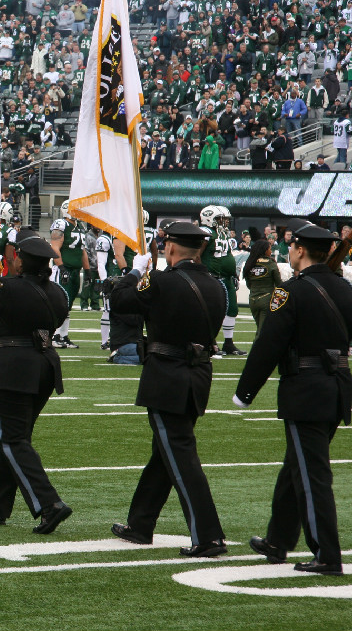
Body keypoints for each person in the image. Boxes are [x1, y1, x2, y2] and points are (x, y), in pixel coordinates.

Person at [234, 219, 352, 576]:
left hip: (306, 390)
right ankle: (278, 540)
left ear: (300, 250)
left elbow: (269, 343)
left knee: (311, 473)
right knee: (295, 467)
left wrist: (245, 392)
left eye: (292, 246)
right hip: (337, 388)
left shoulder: (290, 292)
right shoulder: (345, 289)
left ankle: (327, 554)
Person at [109, 221, 228, 558]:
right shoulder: (216, 286)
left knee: (179, 456)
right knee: (165, 452)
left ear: (170, 248)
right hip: (198, 375)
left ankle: (208, 535)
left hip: (167, 376)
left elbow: (119, 301)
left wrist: (135, 272)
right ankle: (140, 523)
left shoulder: (162, 281)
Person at [0, 231, 73, 533]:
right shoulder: (57, 293)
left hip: (11, 367)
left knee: (12, 439)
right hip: (45, 367)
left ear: (20, 261)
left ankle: (49, 504)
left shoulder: (7, 287)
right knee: (13, 437)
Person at [199, 205, 245, 355]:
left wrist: (233, 273)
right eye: (221, 219)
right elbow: (197, 254)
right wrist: (202, 272)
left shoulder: (223, 233)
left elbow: (227, 256)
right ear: (210, 218)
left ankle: (229, 343)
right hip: (213, 277)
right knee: (212, 311)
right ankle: (210, 342)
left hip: (227, 277)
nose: (225, 222)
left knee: (232, 310)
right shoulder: (207, 232)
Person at [50, 200, 88, 348]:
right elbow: (54, 248)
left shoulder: (80, 227)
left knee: (68, 306)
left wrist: (88, 271)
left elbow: (82, 251)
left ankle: (63, 336)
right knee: (60, 303)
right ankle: (55, 336)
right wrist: (62, 268)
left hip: (75, 270)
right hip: (63, 270)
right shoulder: (61, 224)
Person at [243, 238, 282, 340]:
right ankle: (257, 354)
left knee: (260, 328)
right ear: (265, 250)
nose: (271, 251)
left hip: (252, 300)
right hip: (266, 299)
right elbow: (279, 284)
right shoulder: (271, 263)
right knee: (263, 332)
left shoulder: (250, 263)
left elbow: (248, 284)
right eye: (270, 249)